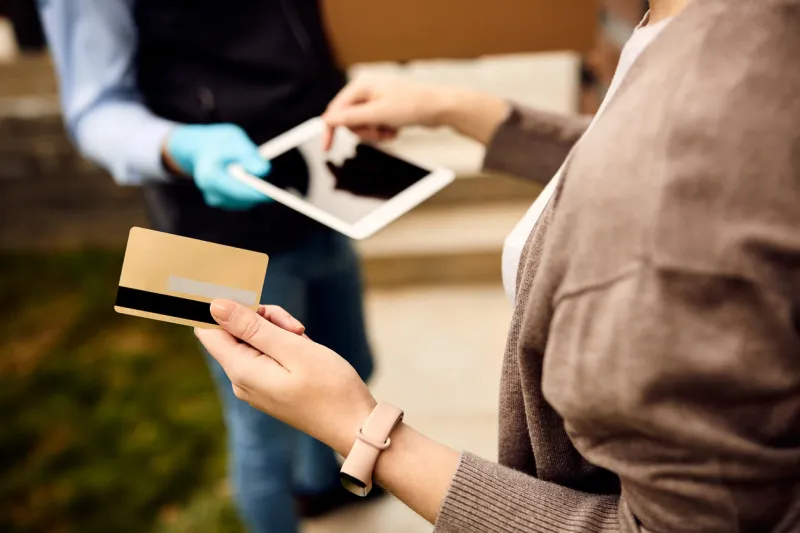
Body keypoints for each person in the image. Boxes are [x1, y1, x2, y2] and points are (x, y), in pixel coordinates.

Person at [196, 0, 800, 531]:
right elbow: (627, 147)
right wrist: (462, 110)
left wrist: (364, 431)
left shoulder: (666, 246)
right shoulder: (724, 32)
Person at [37, 1, 375, 531]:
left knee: (352, 363)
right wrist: (181, 147)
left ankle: (317, 486)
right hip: (209, 233)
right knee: (262, 424)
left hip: (317, 195)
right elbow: (95, 108)